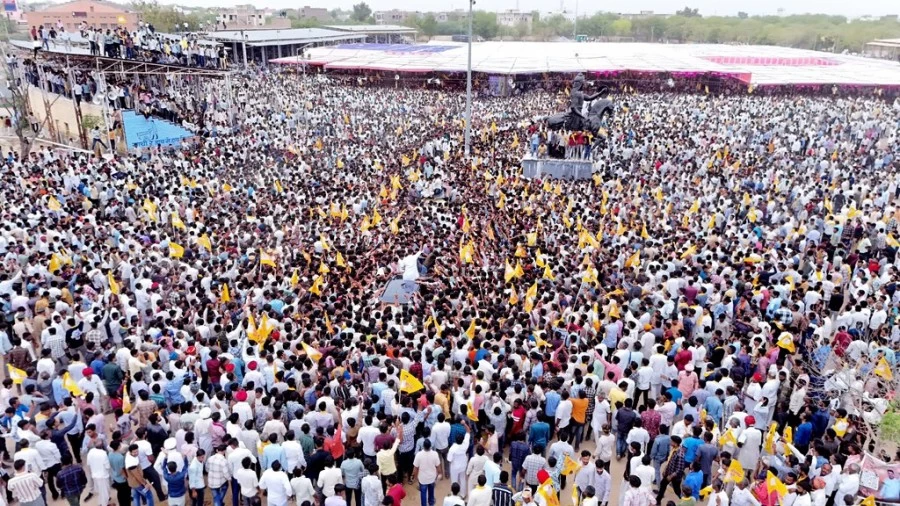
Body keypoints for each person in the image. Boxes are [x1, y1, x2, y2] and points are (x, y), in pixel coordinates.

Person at [413, 439, 442, 506]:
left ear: (423, 446)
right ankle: (431, 503)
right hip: (432, 478)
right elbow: (438, 466)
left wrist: (415, 477)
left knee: (423, 494)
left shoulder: (419, 455)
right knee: (431, 492)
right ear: (430, 446)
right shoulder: (435, 454)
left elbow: (415, 468)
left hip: (422, 479)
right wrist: (439, 473)